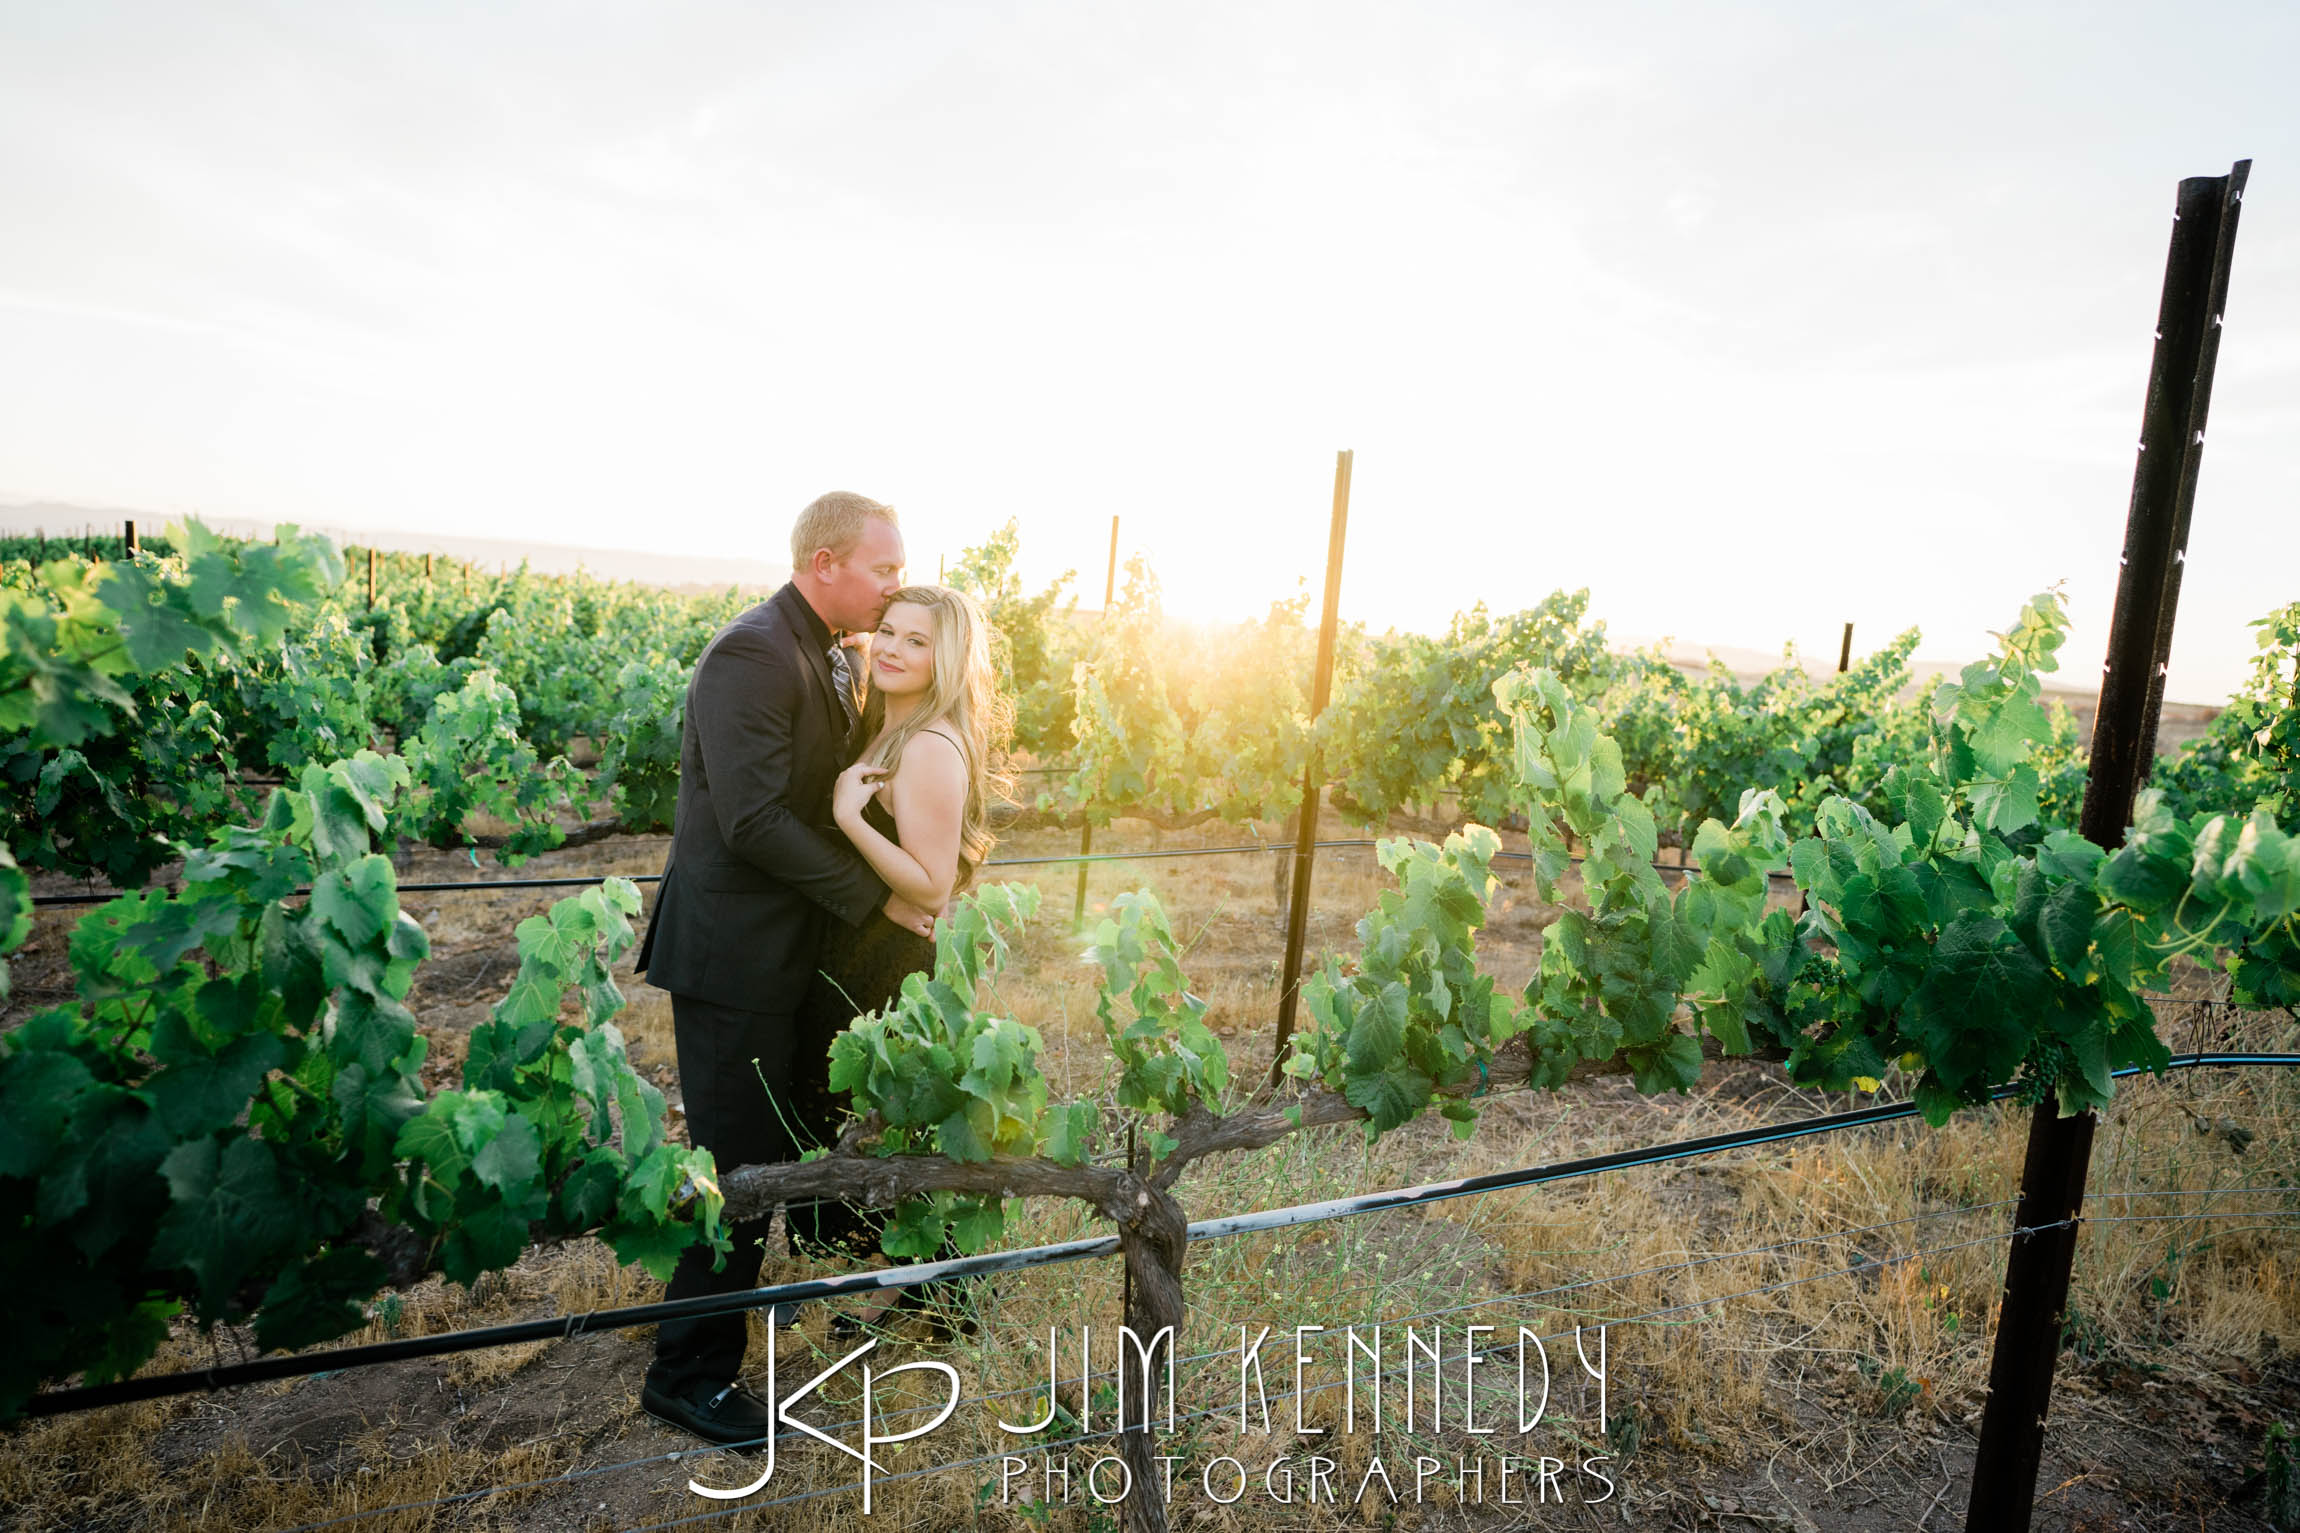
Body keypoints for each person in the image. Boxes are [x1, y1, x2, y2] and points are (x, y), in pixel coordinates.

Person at [635, 491, 939, 1450]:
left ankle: (876, 1286)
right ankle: (683, 1375)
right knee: (729, 1170)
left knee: (776, 1148)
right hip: (731, 960)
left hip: (782, 953)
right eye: (884, 569)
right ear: (825, 564)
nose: (895, 583)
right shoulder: (752, 652)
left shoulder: (822, 650)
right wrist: (875, 897)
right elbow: (753, 820)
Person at [783, 584, 1010, 1329]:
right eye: (887, 630)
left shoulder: (931, 746)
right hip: (854, 953)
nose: (891, 647)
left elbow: (932, 881)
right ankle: (922, 1281)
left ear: (946, 659)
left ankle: (927, 1282)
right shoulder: (890, 727)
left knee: (868, 1126)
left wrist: (850, 818)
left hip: (885, 964)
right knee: (859, 1125)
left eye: (917, 640)